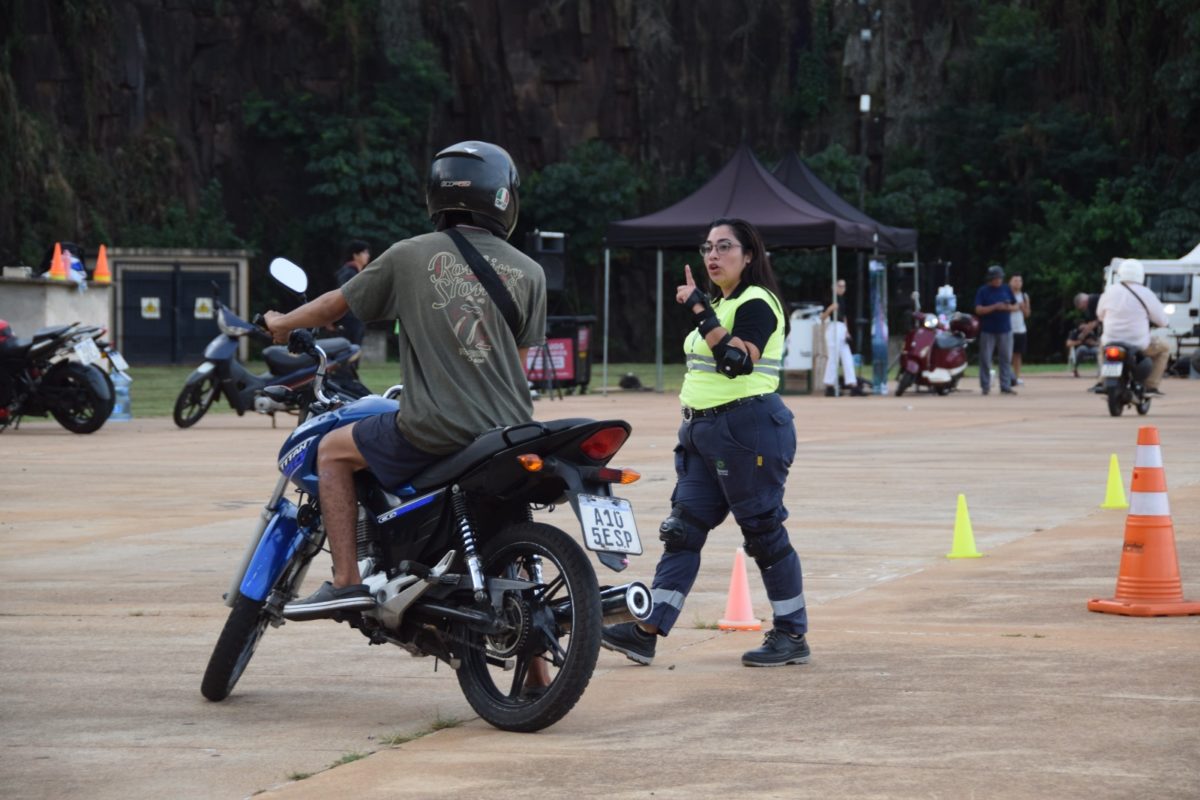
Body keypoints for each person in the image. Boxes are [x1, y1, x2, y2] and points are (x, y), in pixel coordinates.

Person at [265, 141, 547, 620]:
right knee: (511, 540)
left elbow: (338, 303)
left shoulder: (410, 255)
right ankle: (539, 677)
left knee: (332, 450)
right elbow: (515, 366)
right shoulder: (531, 272)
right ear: (503, 197)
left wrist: (282, 322)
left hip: (435, 427)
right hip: (509, 430)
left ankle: (346, 582)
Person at [601, 218, 810, 668]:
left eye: (725, 247)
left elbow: (735, 362)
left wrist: (699, 307)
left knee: (764, 533)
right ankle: (647, 630)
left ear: (749, 255)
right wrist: (706, 309)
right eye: (707, 248)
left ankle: (792, 634)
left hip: (748, 429)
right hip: (701, 433)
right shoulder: (721, 305)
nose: (713, 256)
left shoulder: (758, 303)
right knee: (682, 532)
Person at [1095, 258, 1169, 396]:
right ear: (1140, 274)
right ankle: (1151, 386)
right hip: (1138, 342)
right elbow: (1162, 320)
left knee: (1102, 348)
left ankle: (1102, 380)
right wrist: (1164, 323)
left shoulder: (1110, 292)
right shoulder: (1146, 293)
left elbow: (1100, 315)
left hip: (1111, 340)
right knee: (1164, 349)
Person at [973, 264, 1019, 395]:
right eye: (996, 278)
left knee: (1005, 359)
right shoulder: (983, 291)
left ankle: (1005, 385)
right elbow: (978, 309)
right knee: (985, 359)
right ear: (990, 279)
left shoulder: (1006, 289)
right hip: (988, 330)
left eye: (1000, 278)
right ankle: (985, 386)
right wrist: (994, 307)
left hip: (1005, 329)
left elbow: (1016, 306)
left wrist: (1007, 308)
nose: (998, 280)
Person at [819, 278, 864, 396]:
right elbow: (822, 317)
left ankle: (852, 384)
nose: (842, 288)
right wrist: (830, 309)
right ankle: (829, 385)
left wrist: (847, 331)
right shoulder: (829, 299)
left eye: (843, 286)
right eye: (839, 285)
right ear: (834, 286)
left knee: (847, 357)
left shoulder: (842, 300)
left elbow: (844, 317)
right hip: (832, 327)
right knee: (833, 358)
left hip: (841, 329)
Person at [1008, 273, 1030, 384]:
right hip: (1008, 329)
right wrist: (1014, 307)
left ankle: (1017, 377)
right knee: (1008, 354)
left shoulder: (1024, 296)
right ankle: (1007, 376)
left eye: (1020, 281)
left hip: (1020, 328)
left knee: (1018, 354)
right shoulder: (1006, 294)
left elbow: (1027, 314)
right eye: (1015, 280)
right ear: (1010, 282)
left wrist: (1023, 307)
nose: (1018, 283)